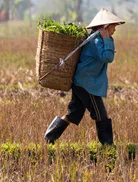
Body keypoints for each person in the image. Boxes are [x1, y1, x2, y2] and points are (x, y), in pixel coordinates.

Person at [43, 8, 125, 145]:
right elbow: (108, 57)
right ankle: (108, 146)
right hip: (87, 84)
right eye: (113, 26)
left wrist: (107, 39)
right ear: (104, 27)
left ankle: (49, 137)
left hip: (81, 82)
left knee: (73, 114)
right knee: (101, 115)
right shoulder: (96, 41)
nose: (115, 30)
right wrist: (107, 39)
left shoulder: (98, 39)